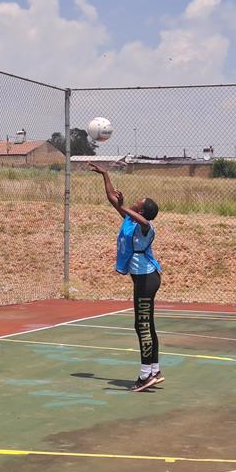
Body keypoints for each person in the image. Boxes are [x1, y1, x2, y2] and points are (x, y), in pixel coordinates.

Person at [89, 162, 162, 392]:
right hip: (142, 279)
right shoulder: (130, 220)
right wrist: (105, 174)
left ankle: (144, 375)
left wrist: (123, 206)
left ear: (141, 211)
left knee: (142, 326)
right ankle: (154, 370)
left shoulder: (146, 228)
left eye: (138, 202)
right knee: (146, 324)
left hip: (147, 279)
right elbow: (112, 199)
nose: (134, 201)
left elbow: (144, 221)